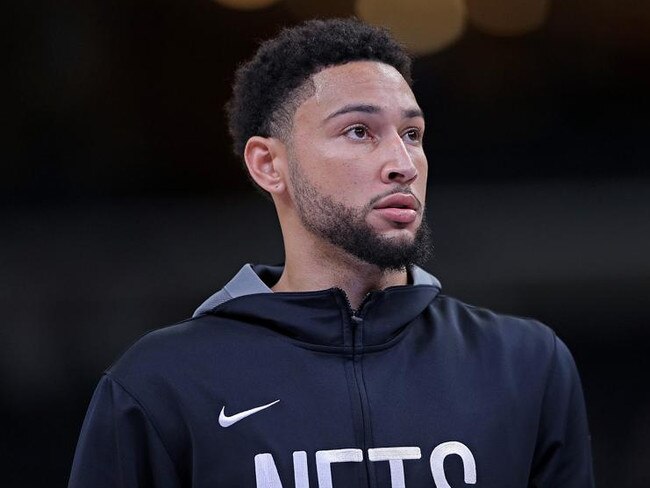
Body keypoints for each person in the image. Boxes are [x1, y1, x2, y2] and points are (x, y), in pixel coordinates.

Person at [68, 18, 594, 488]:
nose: (402, 164)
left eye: (412, 134)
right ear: (268, 165)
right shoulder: (161, 384)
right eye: (359, 131)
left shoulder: (526, 364)